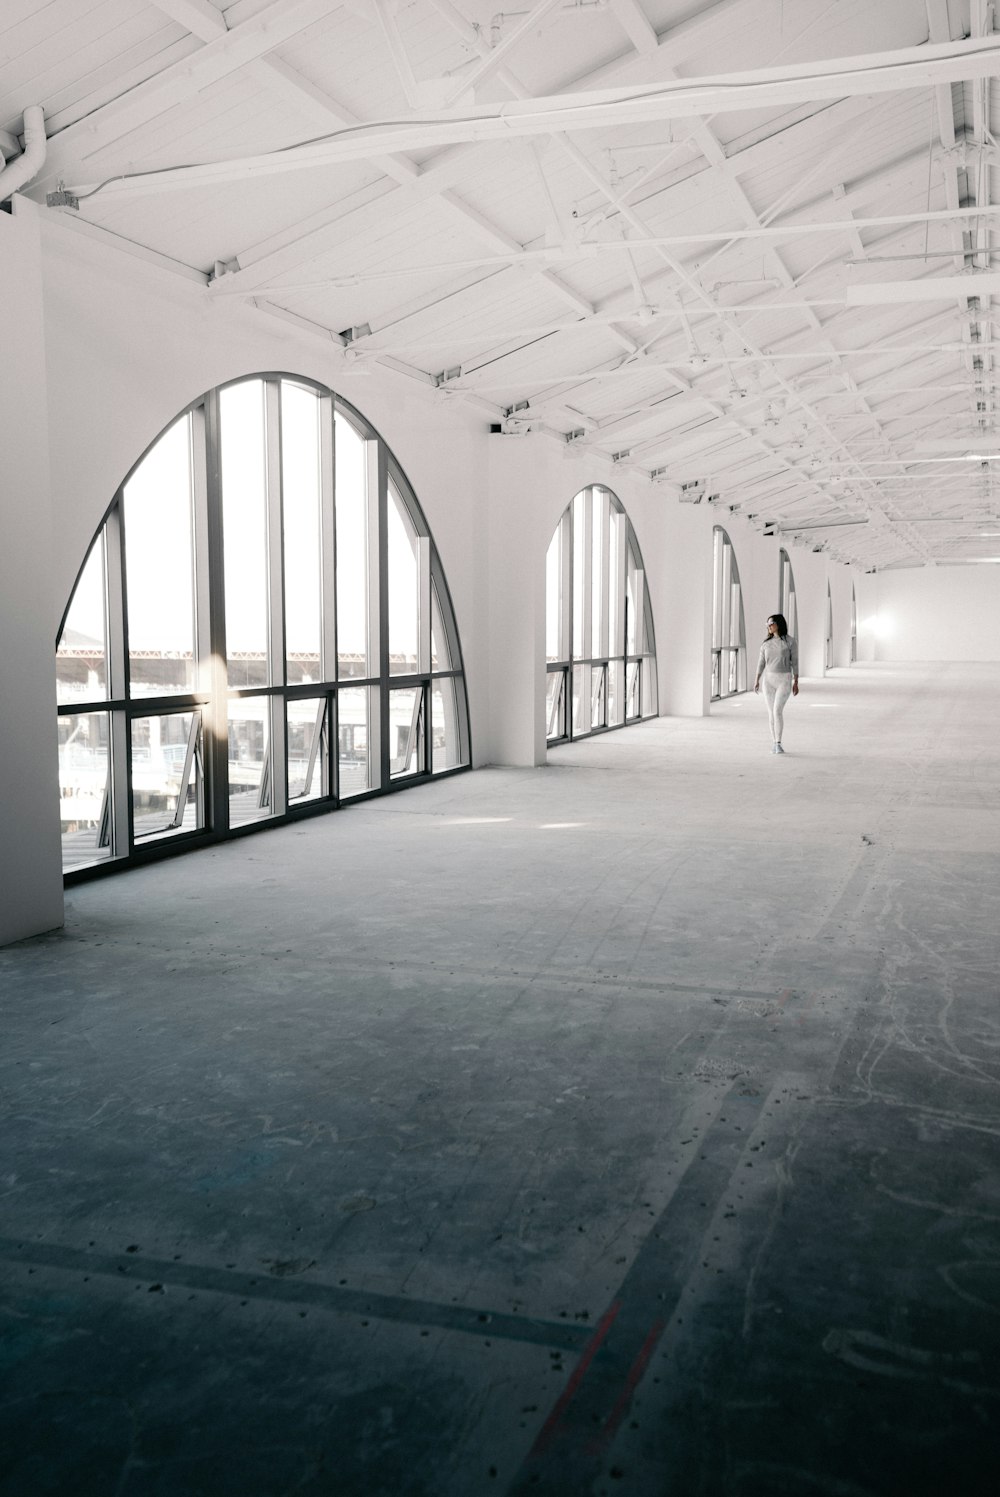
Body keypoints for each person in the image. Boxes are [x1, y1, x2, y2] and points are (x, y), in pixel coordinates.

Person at [754, 613, 799, 754]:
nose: (768, 626)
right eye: (767, 624)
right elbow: (761, 663)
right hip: (768, 680)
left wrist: (796, 681)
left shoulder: (790, 642)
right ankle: (775, 742)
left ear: (778, 624)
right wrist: (757, 679)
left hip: (784, 679)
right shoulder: (766, 644)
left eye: (771, 623)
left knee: (777, 711)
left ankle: (779, 742)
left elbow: (795, 662)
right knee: (770, 713)